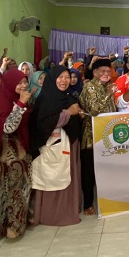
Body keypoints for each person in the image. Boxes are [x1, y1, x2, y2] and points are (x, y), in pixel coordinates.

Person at [30, 66, 85, 226]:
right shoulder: (45, 99)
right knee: (53, 177)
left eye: (67, 77)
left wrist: (78, 115)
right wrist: (68, 113)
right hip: (52, 147)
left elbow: (73, 117)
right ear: (52, 79)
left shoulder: (69, 97)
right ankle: (52, 214)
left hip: (69, 144)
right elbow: (44, 124)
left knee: (68, 175)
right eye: (60, 77)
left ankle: (69, 209)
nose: (64, 81)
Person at [0, 69, 33, 239]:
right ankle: (3, 227)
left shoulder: (17, 98)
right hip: (5, 154)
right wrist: (21, 105)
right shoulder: (2, 101)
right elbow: (7, 127)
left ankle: (16, 226)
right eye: (19, 83)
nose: (23, 85)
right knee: (4, 192)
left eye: (25, 82)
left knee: (19, 190)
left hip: (19, 152)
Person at [78, 57, 117, 216]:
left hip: (106, 135)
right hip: (91, 136)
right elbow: (94, 110)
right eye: (102, 71)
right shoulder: (90, 87)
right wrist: (109, 94)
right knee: (89, 172)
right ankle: (88, 204)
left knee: (106, 169)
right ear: (95, 72)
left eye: (108, 71)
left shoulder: (108, 86)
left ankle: (108, 200)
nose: (106, 73)